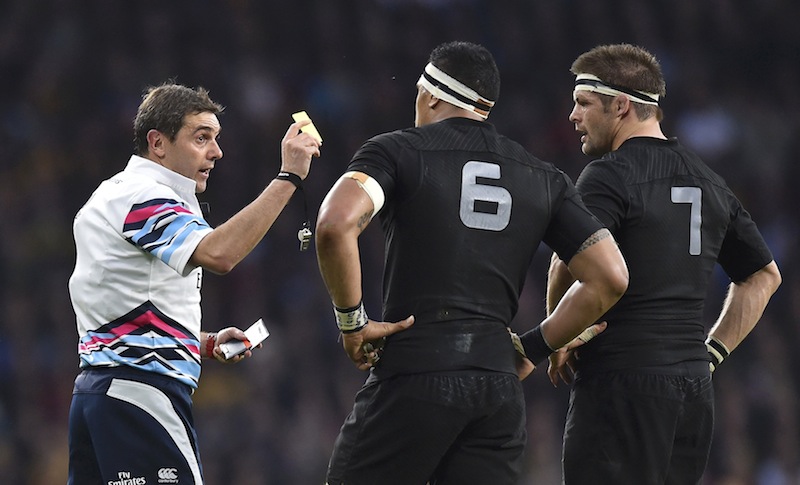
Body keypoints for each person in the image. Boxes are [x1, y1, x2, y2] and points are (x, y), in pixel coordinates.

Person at [314, 40, 629, 485]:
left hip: (415, 372)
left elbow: (333, 225)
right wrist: (533, 349)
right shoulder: (542, 176)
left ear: (432, 95)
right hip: (497, 388)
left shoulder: (397, 151)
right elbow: (611, 277)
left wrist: (351, 322)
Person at [546, 43, 782, 485]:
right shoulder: (710, 181)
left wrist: (558, 336)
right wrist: (712, 353)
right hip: (693, 392)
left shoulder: (608, 174)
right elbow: (764, 276)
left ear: (620, 106)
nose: (573, 116)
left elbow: (567, 261)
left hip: (622, 385)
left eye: (583, 103)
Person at [67, 82, 321, 485]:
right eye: (201, 137)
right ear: (158, 143)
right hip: (141, 396)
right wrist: (288, 177)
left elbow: (124, 305)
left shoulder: (111, 193)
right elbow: (221, 254)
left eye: (216, 139)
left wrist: (201, 342)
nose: (216, 152)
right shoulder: (145, 196)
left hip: (100, 396)